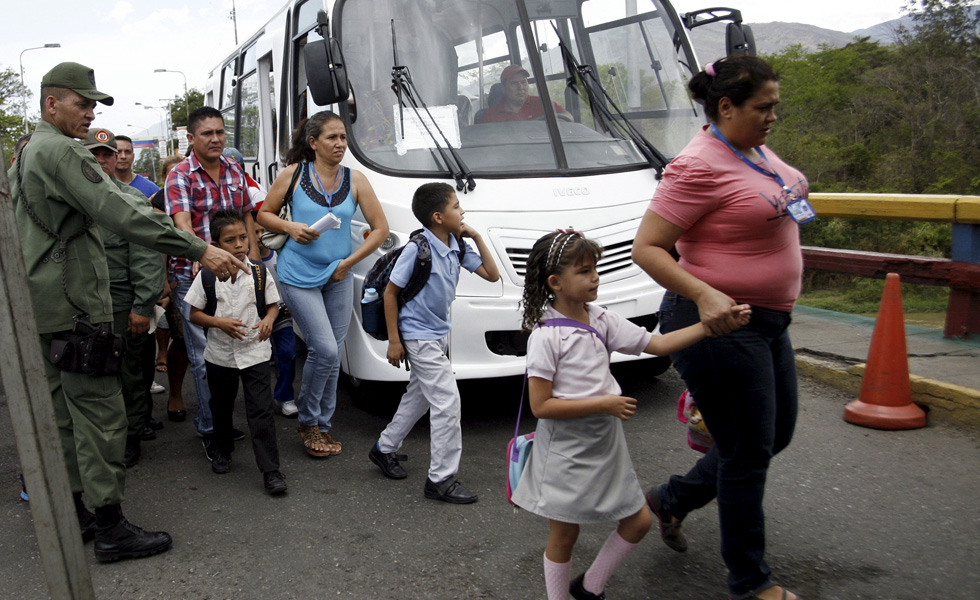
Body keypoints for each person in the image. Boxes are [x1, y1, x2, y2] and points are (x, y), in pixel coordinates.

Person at [9, 61, 245, 562]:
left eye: (94, 103)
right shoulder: (60, 150)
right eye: (82, 102)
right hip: (77, 307)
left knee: (63, 419)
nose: (90, 111)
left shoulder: (28, 150)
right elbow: (119, 208)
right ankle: (111, 528)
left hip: (44, 305)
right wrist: (198, 248)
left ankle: (76, 514)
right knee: (101, 416)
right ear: (52, 103)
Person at [631, 55, 809, 600]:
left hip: (769, 320)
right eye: (764, 107)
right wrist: (706, 293)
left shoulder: (754, 148)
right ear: (726, 107)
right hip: (719, 322)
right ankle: (750, 583)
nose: (773, 115)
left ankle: (670, 499)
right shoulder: (698, 165)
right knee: (748, 451)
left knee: (772, 436)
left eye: (776, 105)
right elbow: (648, 247)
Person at [511, 230, 749, 599]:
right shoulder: (545, 336)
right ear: (555, 282)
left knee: (638, 522)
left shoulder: (602, 319)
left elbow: (658, 344)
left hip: (606, 444)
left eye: (595, 269)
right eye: (585, 271)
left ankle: (590, 589)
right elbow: (541, 406)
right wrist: (603, 403)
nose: (595, 278)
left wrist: (711, 324)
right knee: (565, 534)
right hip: (566, 450)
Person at [257, 110, 389, 457]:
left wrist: (349, 262)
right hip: (297, 274)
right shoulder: (293, 174)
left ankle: (323, 424)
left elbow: (381, 229)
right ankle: (308, 420)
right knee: (326, 349)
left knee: (332, 352)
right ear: (313, 143)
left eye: (343, 137)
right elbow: (263, 214)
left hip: (339, 275)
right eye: (332, 137)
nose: (340, 144)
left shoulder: (356, 179)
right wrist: (291, 228)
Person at [368, 182, 500, 503]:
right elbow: (390, 293)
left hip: (439, 334)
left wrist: (478, 238)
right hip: (417, 336)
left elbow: (492, 275)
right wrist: (394, 341)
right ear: (438, 217)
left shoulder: (456, 245)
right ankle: (440, 478)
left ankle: (384, 448)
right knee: (447, 402)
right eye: (456, 206)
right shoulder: (418, 249)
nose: (462, 210)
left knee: (420, 396)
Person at [166, 106, 259, 450]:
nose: (216, 139)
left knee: (238, 350)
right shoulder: (180, 175)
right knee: (204, 357)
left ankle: (220, 420)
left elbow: (247, 217)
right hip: (195, 275)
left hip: (237, 274)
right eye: (207, 133)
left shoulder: (235, 168)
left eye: (220, 132)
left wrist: (258, 262)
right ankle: (210, 429)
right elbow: (183, 225)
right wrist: (200, 256)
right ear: (191, 139)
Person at [186, 210, 287, 495]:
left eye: (243, 237)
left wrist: (268, 320)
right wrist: (218, 322)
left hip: (255, 352)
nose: (240, 245)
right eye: (230, 240)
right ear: (216, 245)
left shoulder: (259, 271)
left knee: (261, 411)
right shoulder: (207, 275)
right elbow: (194, 314)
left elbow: (273, 305)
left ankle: (271, 470)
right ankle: (221, 449)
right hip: (220, 354)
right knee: (222, 405)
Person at [82, 127, 165, 468]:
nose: (101, 160)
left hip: (120, 305)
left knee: (128, 374)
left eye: (107, 154)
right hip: (81, 306)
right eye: (95, 154)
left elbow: (145, 258)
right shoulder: (72, 199)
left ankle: (131, 437)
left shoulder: (129, 201)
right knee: (88, 375)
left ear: (117, 159)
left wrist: (142, 306)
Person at [151, 154, 191, 421]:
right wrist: (163, 279)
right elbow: (159, 241)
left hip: (210, 273)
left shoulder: (198, 189)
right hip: (179, 275)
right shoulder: (158, 201)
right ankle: (175, 394)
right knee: (184, 339)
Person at [252, 214, 300, 417]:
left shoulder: (279, 254)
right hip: (255, 318)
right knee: (256, 361)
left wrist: (290, 304)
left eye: (263, 231)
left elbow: (290, 281)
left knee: (287, 353)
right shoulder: (245, 259)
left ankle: (285, 397)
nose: (260, 236)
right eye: (255, 232)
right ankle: (257, 401)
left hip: (281, 314)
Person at [475, 64, 572, 124]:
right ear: (503, 89)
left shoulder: (541, 103)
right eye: (514, 83)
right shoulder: (489, 116)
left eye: (524, 82)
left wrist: (555, 124)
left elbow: (567, 116)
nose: (520, 87)